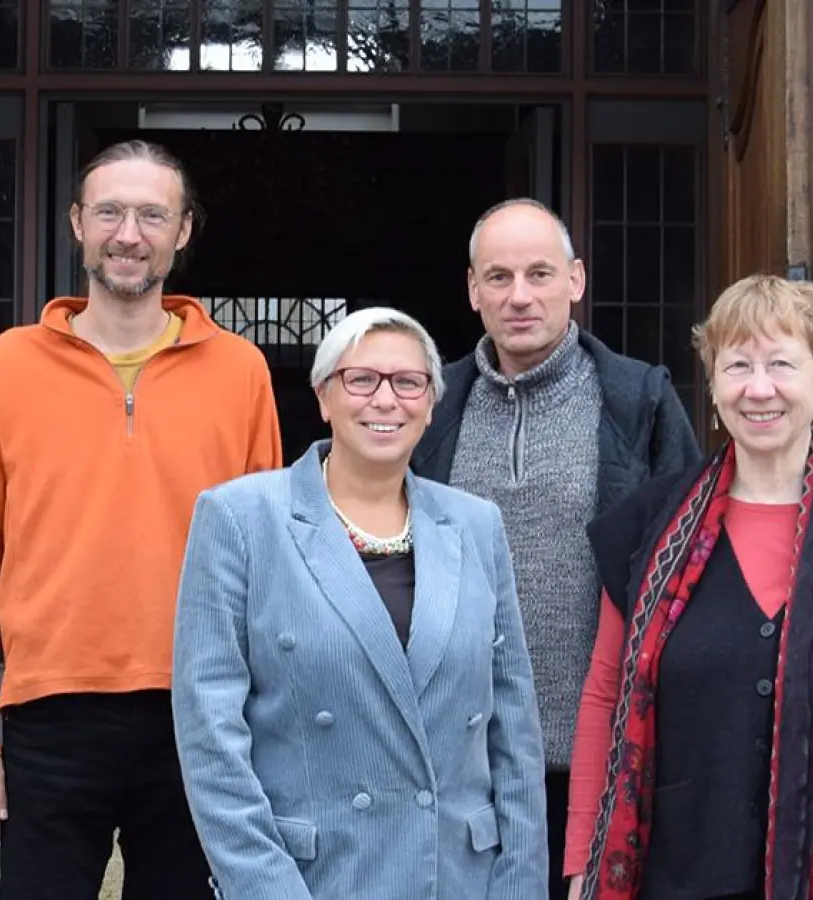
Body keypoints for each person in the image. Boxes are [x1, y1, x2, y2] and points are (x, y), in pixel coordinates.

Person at [0, 138, 283, 899]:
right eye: (109, 211)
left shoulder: (240, 372)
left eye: (150, 215)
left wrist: (268, 724)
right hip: (47, 713)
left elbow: (272, 569)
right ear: (77, 223)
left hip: (199, 712)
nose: (128, 234)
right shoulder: (4, 367)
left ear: (183, 231)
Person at [565, 274, 813, 900]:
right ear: (714, 383)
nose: (759, 388)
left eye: (782, 364)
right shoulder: (648, 523)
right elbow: (604, 698)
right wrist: (582, 864)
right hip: (678, 875)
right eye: (738, 365)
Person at [172, 306, 549, 900]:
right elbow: (210, 739)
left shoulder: (476, 526)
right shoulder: (240, 519)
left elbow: (514, 733)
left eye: (408, 382)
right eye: (361, 379)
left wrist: (519, 885)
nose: (385, 399)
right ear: (324, 396)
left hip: (458, 879)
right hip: (314, 879)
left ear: (430, 405)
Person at [411, 197, 702, 898]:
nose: (520, 297)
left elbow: (691, 570)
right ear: (473, 289)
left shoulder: (639, 402)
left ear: (576, 280)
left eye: (539, 274)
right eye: (500, 277)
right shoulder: (430, 406)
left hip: (596, 762)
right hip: (459, 760)